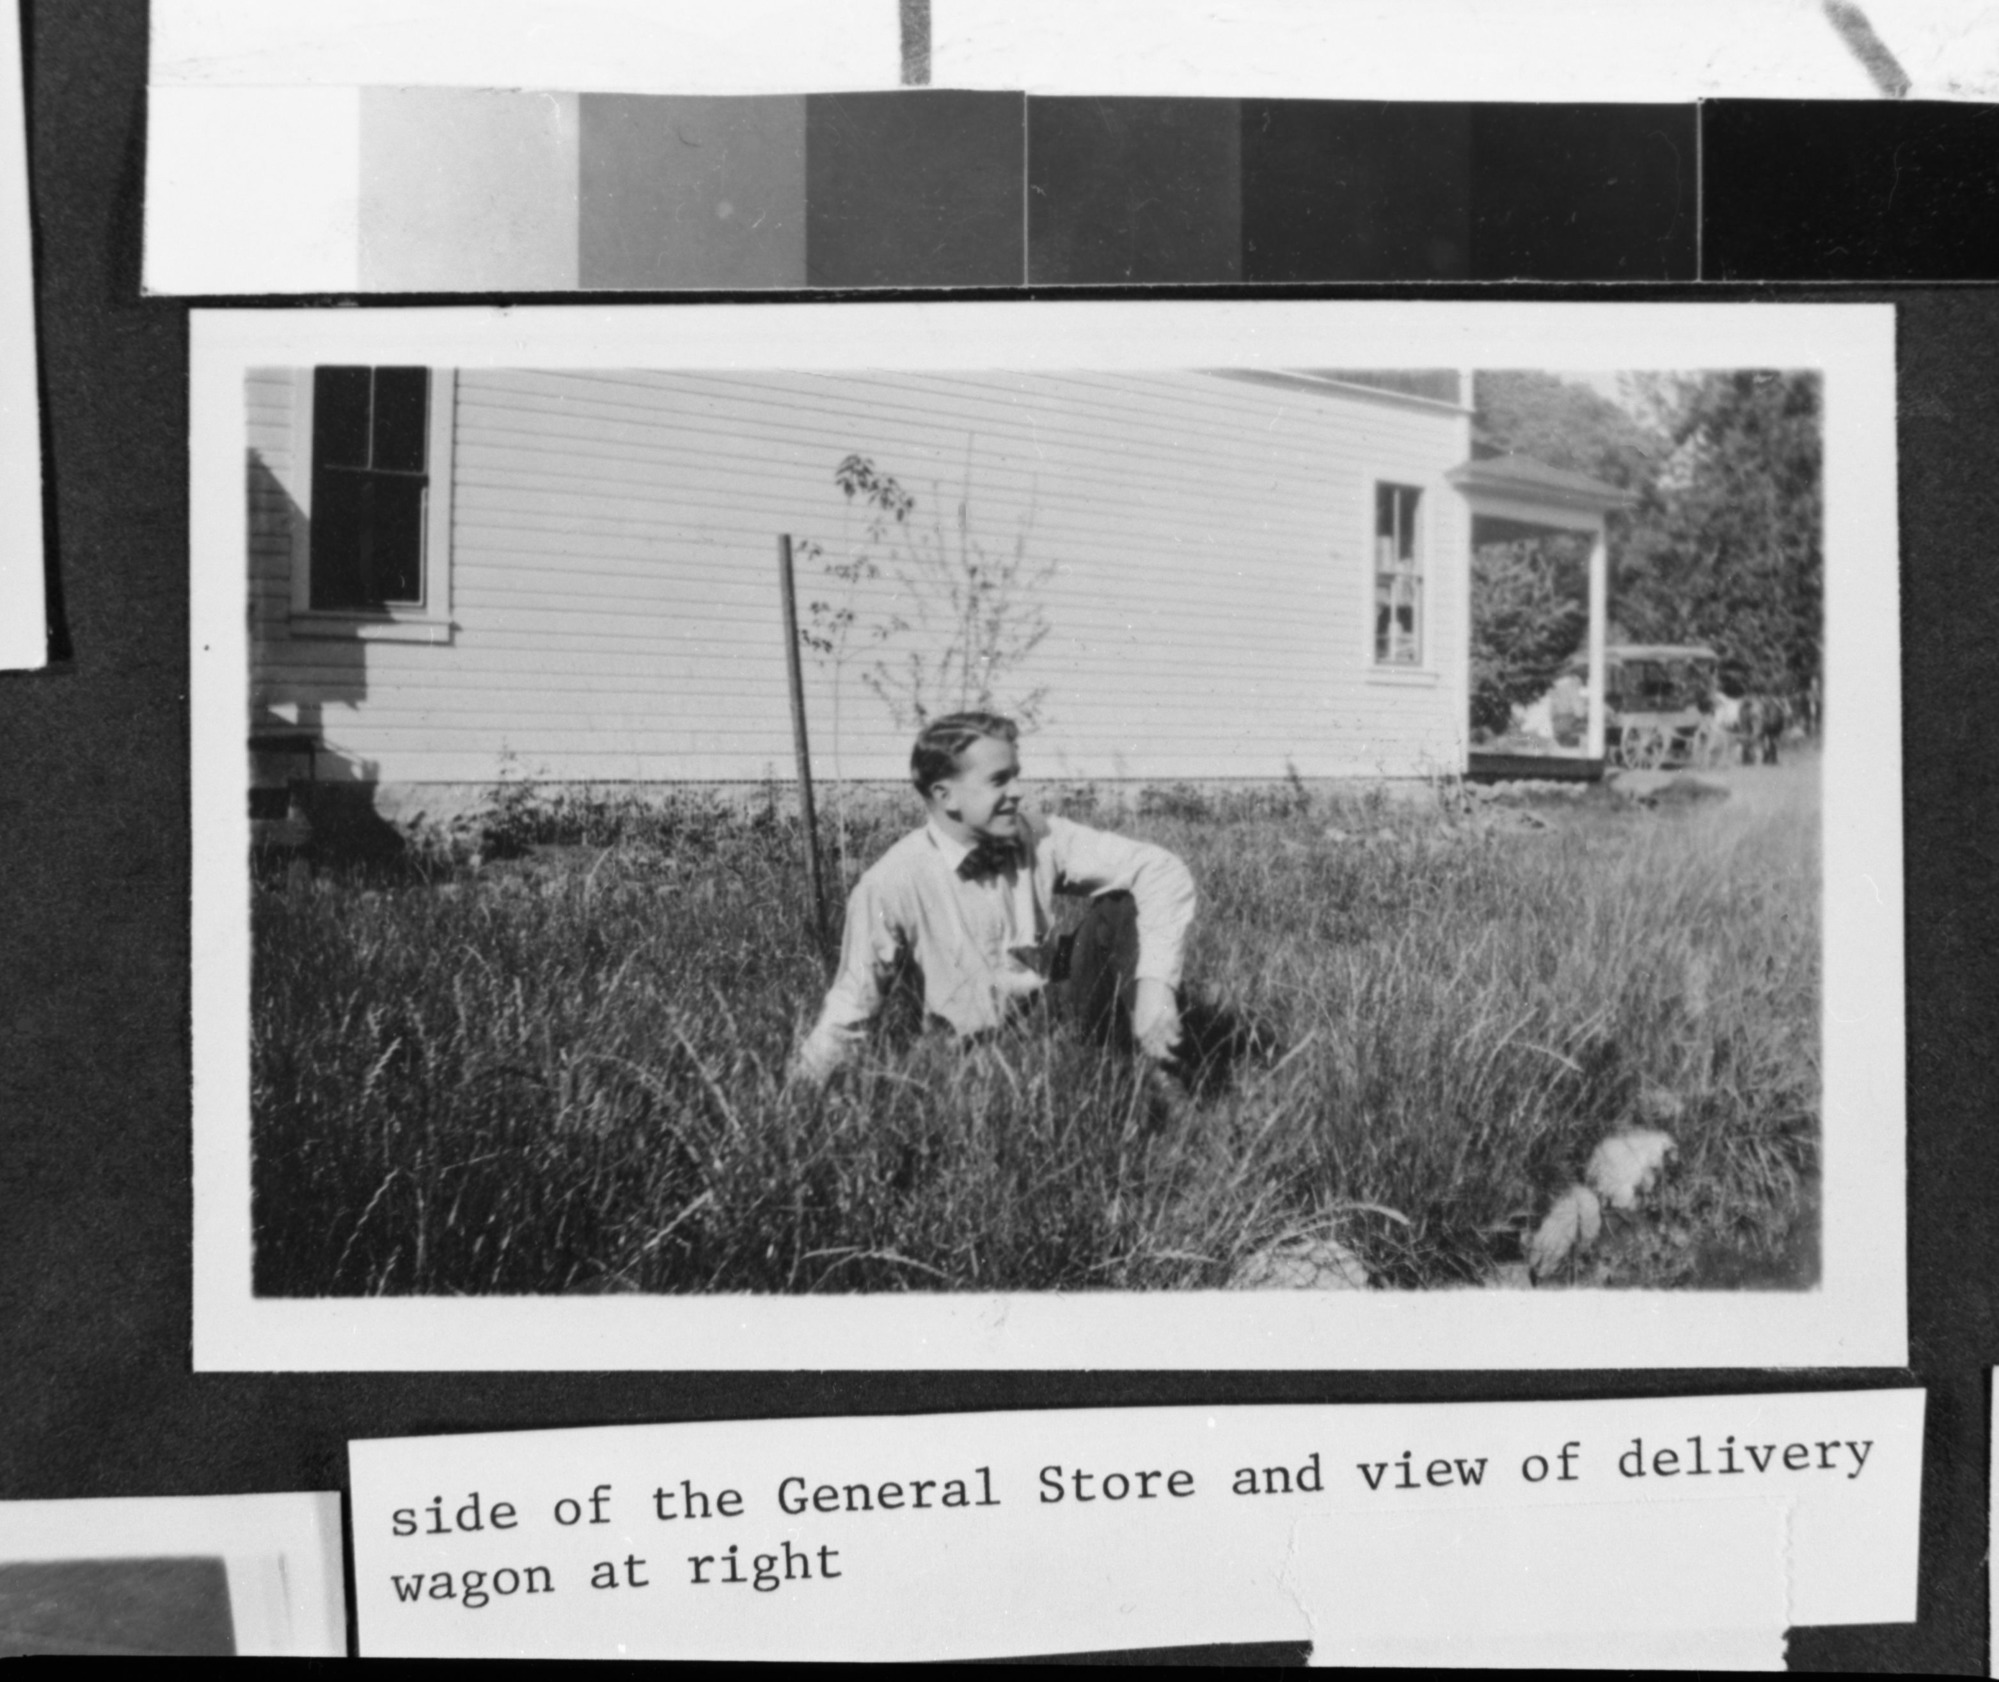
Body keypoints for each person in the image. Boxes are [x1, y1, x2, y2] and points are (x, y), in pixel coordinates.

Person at [792, 711, 1197, 1086]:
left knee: (1121, 906)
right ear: (945, 795)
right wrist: (800, 1092)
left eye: (1016, 776)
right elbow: (852, 1003)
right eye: (999, 780)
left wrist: (1155, 987)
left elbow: (1161, 869)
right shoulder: (891, 883)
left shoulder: (1035, 834)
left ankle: (1165, 1080)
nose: (1018, 792)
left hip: (1055, 1015)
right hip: (970, 1056)